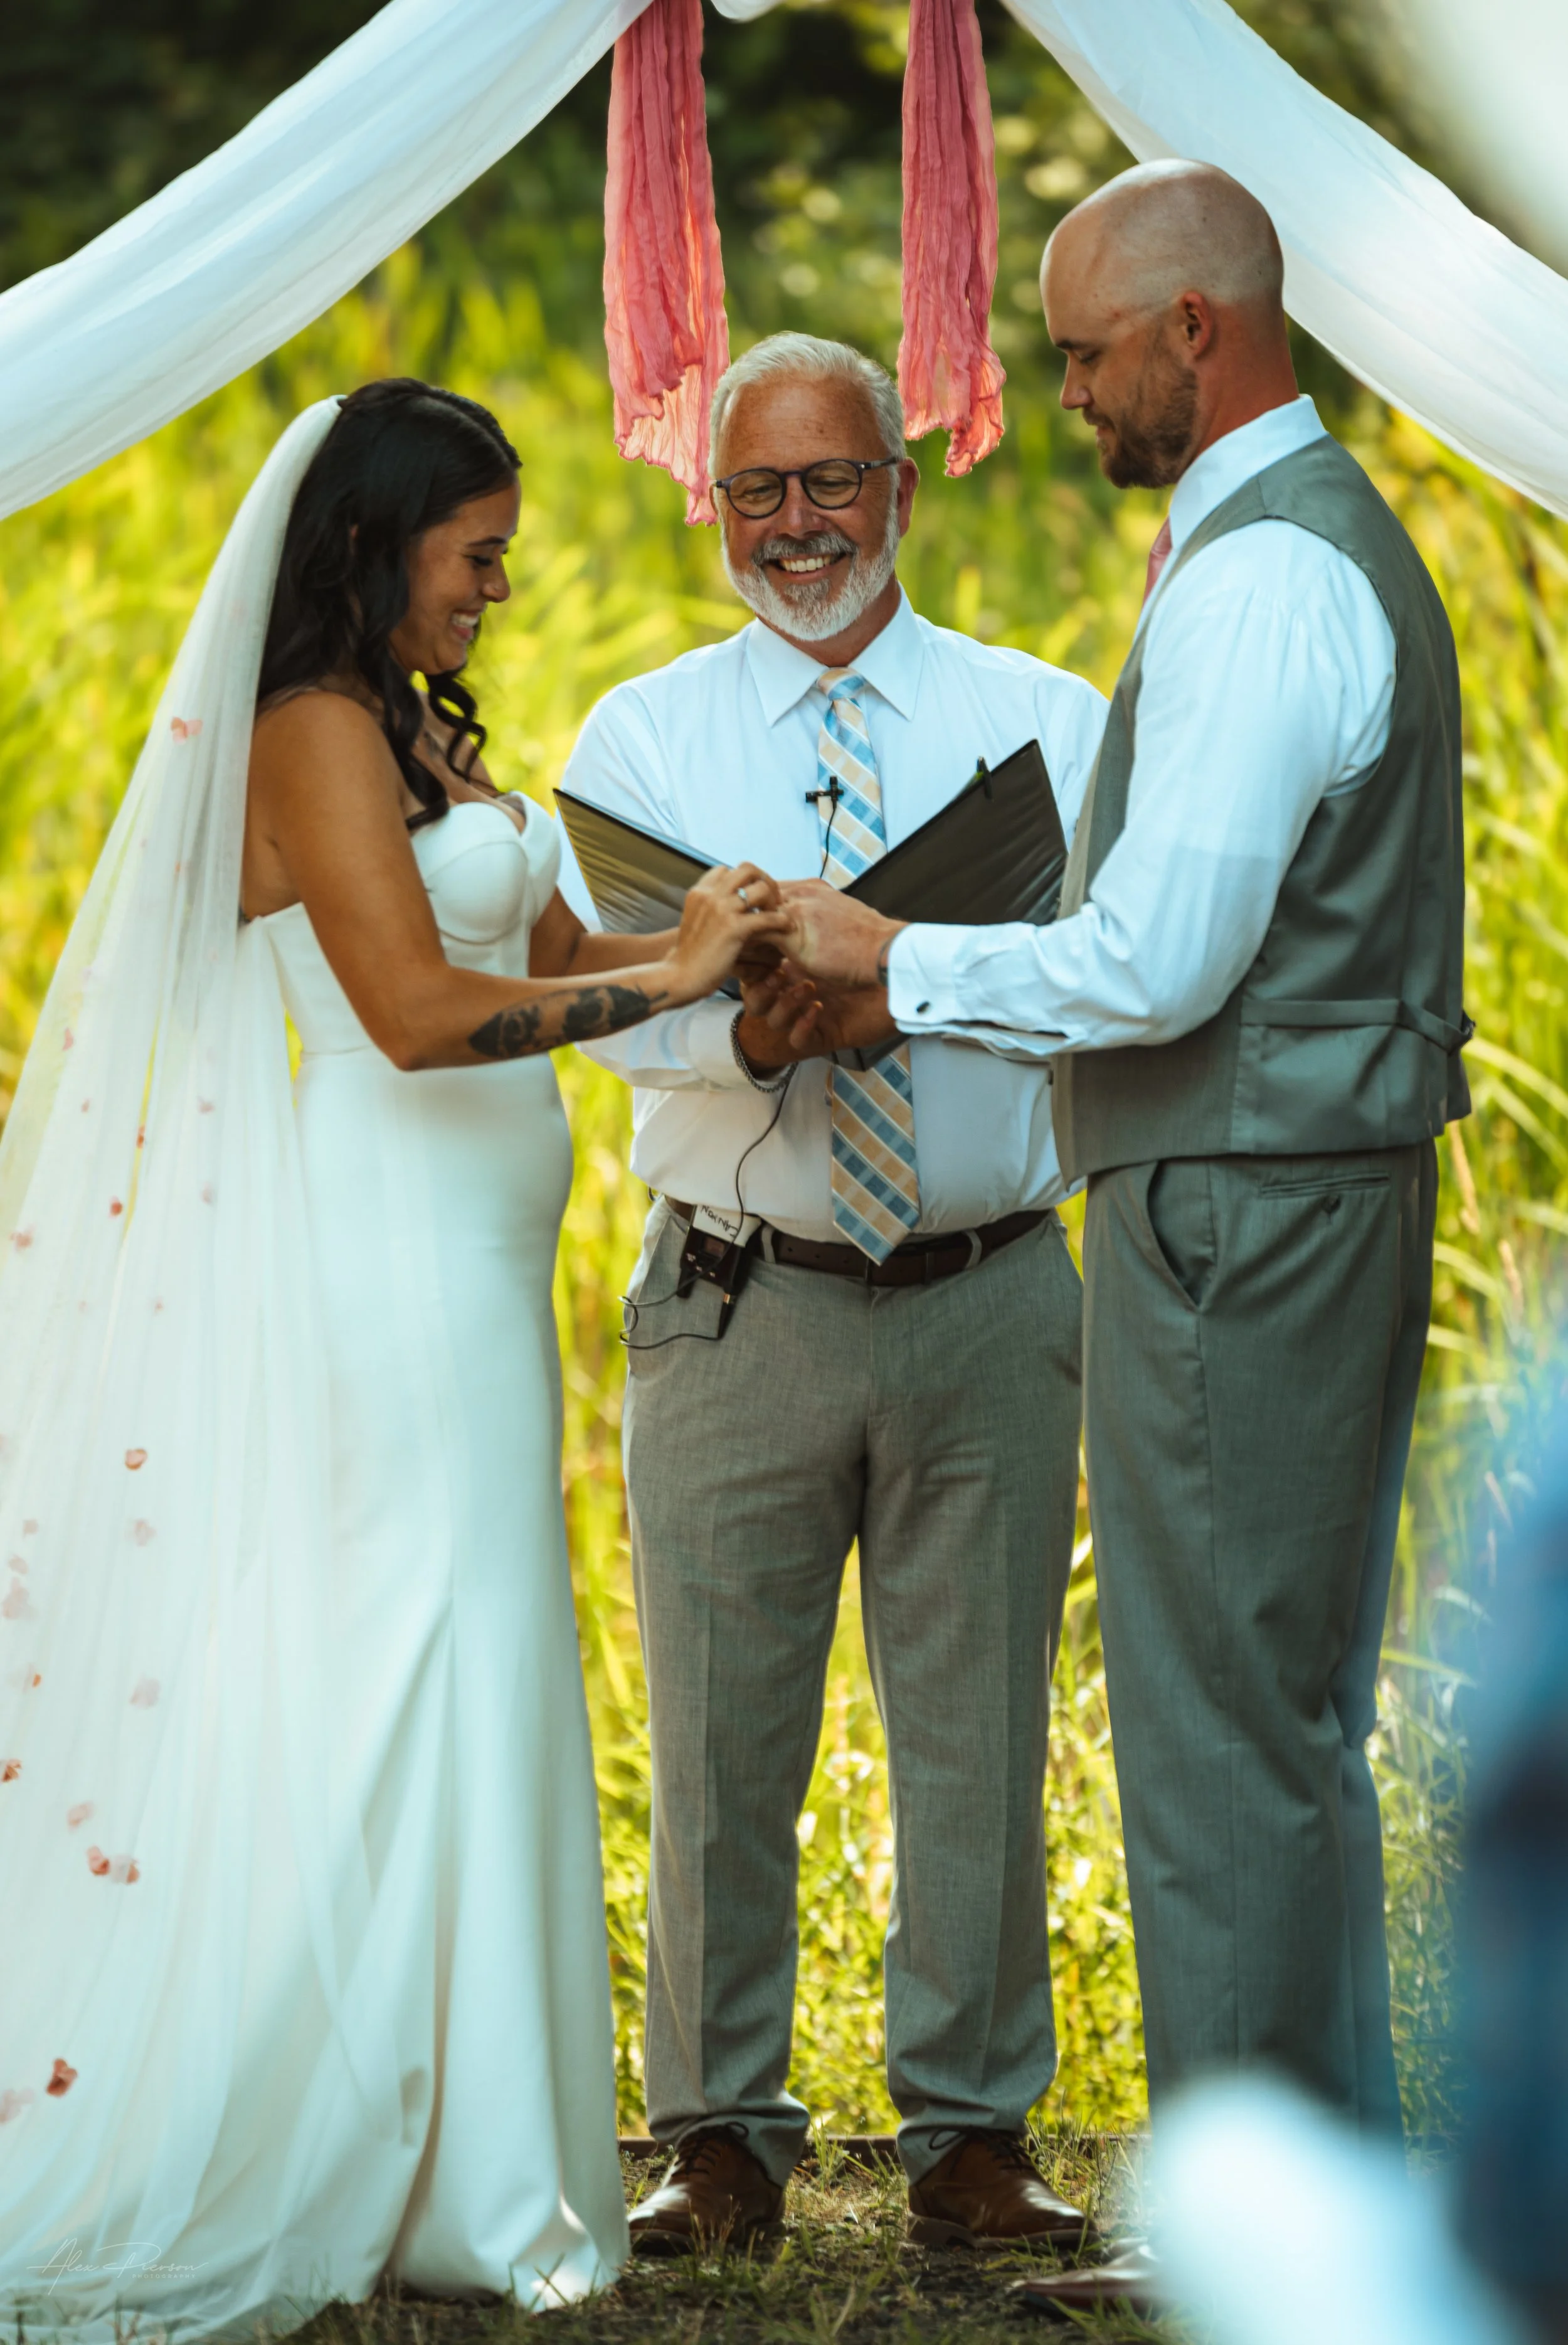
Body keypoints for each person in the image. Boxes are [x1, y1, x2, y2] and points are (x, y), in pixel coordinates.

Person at [0, 380, 783, 2336]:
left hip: (476, 1267)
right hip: (379, 1256)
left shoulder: (427, 735)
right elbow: (422, 1018)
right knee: (409, 1645)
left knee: (481, 1649)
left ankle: (474, 2157)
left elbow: (533, 977)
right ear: (369, 547)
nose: (500, 589)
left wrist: (713, 954)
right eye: (475, 552)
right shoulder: (312, 733)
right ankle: (368, 2139)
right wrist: (659, 974)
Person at [775, 167, 1470, 2135]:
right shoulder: (1315, 545)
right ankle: (1321, 2184)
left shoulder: (1258, 579)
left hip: (1235, 1212)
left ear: (1195, 330)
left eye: (1084, 354)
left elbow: (1161, 965)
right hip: (1301, 1187)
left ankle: (1257, 2230)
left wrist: (889, 956)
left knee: (1212, 1727)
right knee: (1286, 1718)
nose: (1063, 392)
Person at [554, 332, 1107, 2251]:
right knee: (717, 1740)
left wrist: (905, 973)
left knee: (978, 1732)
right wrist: (766, 1030)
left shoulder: (1043, 722)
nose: (797, 525)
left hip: (989, 1294)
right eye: (757, 491)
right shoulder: (637, 740)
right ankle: (717, 2140)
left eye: (831, 480)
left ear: (902, 476)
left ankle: (971, 2137)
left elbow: (1114, 981)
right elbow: (619, 1026)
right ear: (714, 503)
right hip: (738, 1296)